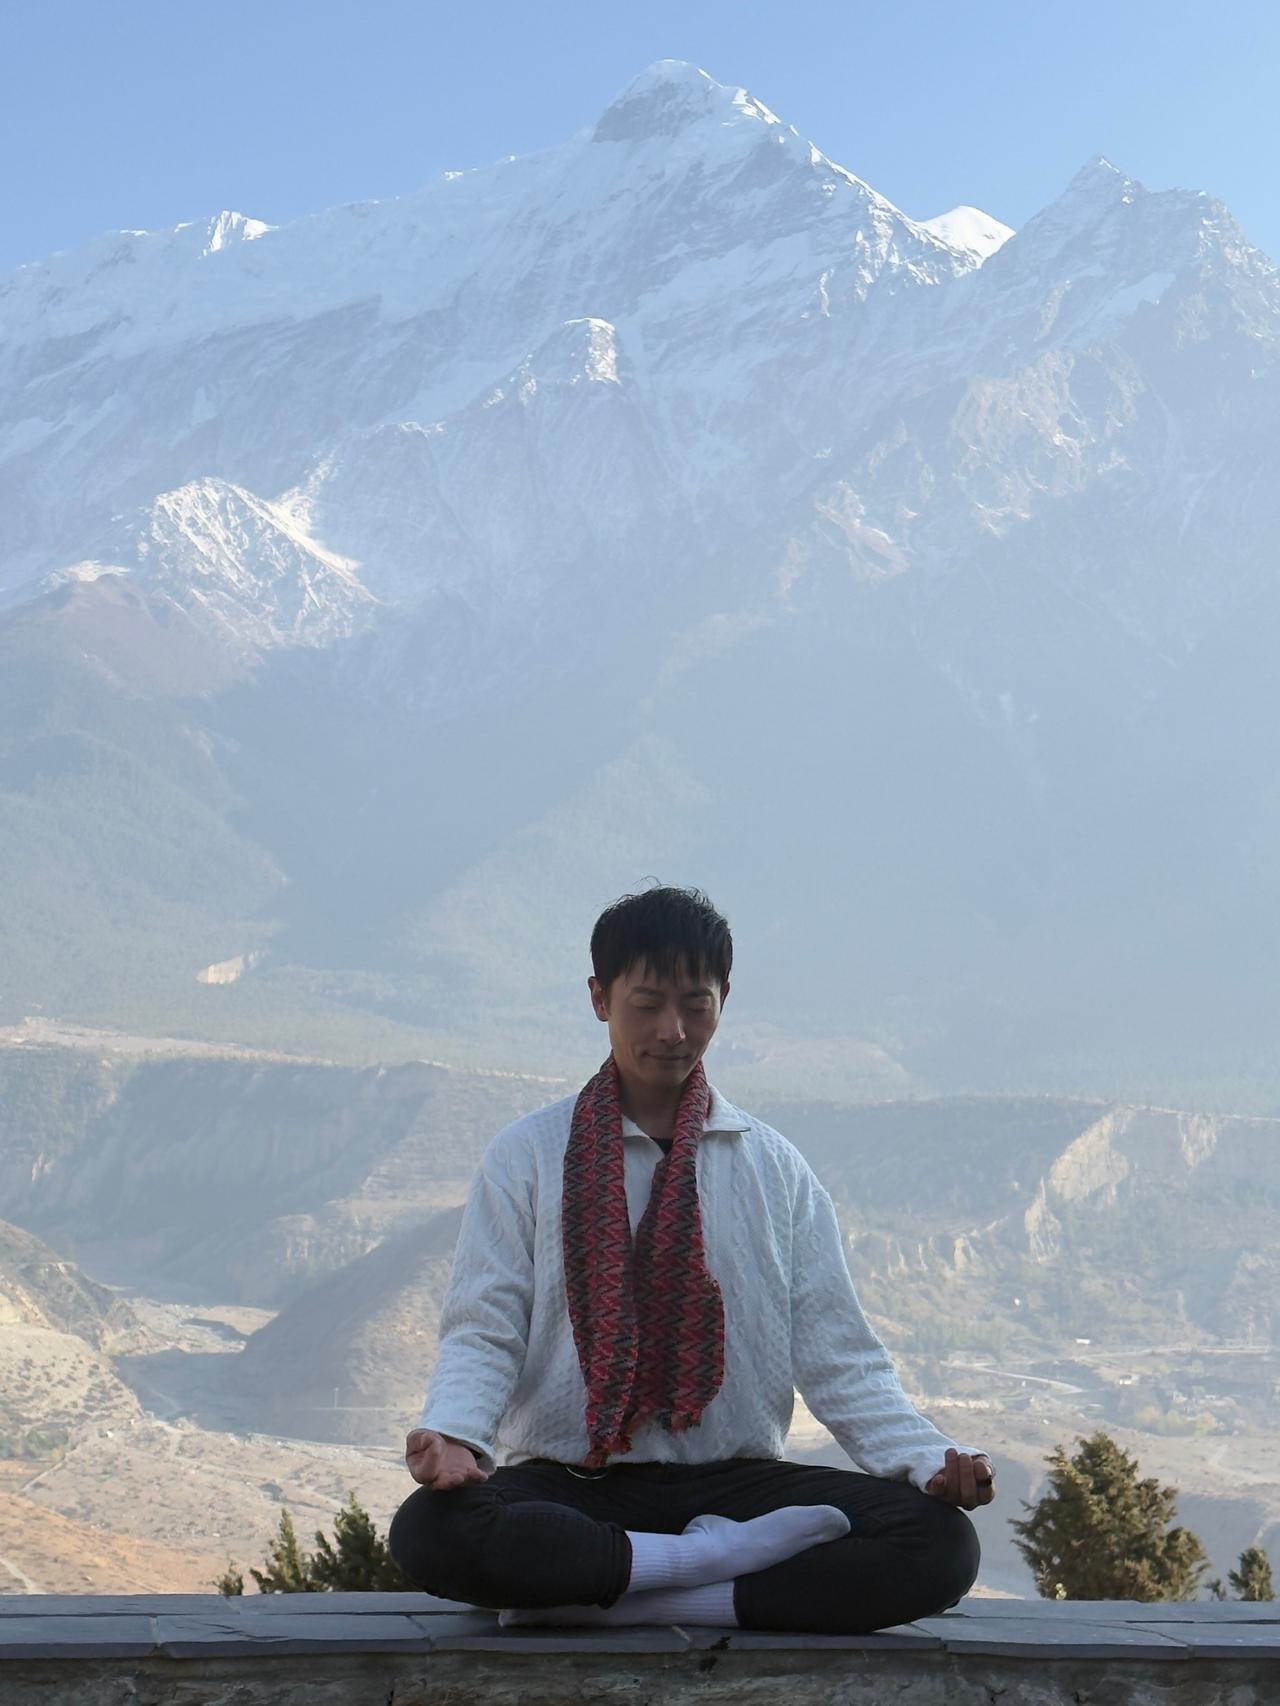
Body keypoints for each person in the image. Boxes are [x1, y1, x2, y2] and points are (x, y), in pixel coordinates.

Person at [389, 886, 993, 1632]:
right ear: (599, 999)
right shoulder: (529, 1156)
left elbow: (841, 1359)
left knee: (939, 1545)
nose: (672, 1031)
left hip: (736, 1487)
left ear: (724, 1000)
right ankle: (703, 1572)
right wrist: (455, 1434)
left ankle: (624, 1588)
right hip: (575, 1482)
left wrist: (927, 1458)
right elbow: (485, 1328)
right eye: (646, 1004)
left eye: (695, 1005)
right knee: (430, 1531)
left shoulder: (773, 1167)